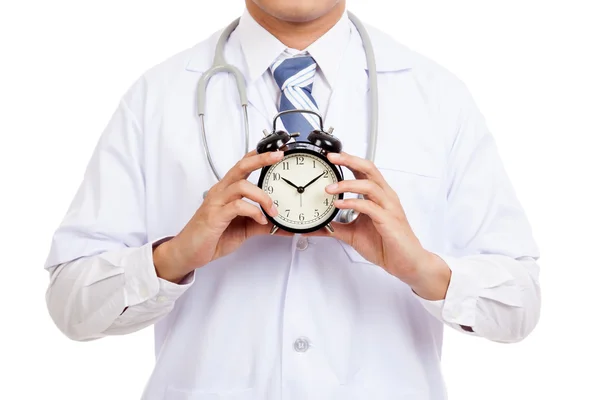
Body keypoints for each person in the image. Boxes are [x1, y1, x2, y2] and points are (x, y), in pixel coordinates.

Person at [44, 1, 541, 398]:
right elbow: (71, 305)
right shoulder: (157, 97)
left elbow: (518, 306)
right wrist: (173, 258)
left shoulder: (439, 98)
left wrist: (424, 270)